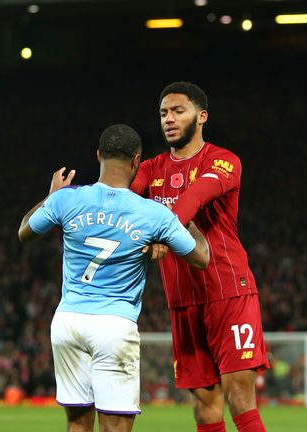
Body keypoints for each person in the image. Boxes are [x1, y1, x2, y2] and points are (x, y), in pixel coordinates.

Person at [18, 124, 210, 432]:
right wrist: (187, 217)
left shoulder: (67, 199)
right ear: (136, 161)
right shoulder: (152, 213)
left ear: (98, 156)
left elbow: (25, 231)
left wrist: (51, 196)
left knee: (77, 426)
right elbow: (201, 258)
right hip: (113, 324)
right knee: (116, 427)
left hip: (68, 321)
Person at [130, 82, 270, 432]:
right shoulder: (150, 169)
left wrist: (161, 229)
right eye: (164, 113)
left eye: (179, 111)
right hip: (183, 301)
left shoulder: (223, 161)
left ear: (202, 116)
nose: (169, 119)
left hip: (228, 292)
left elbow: (195, 197)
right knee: (204, 406)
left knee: (239, 398)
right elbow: (123, 203)